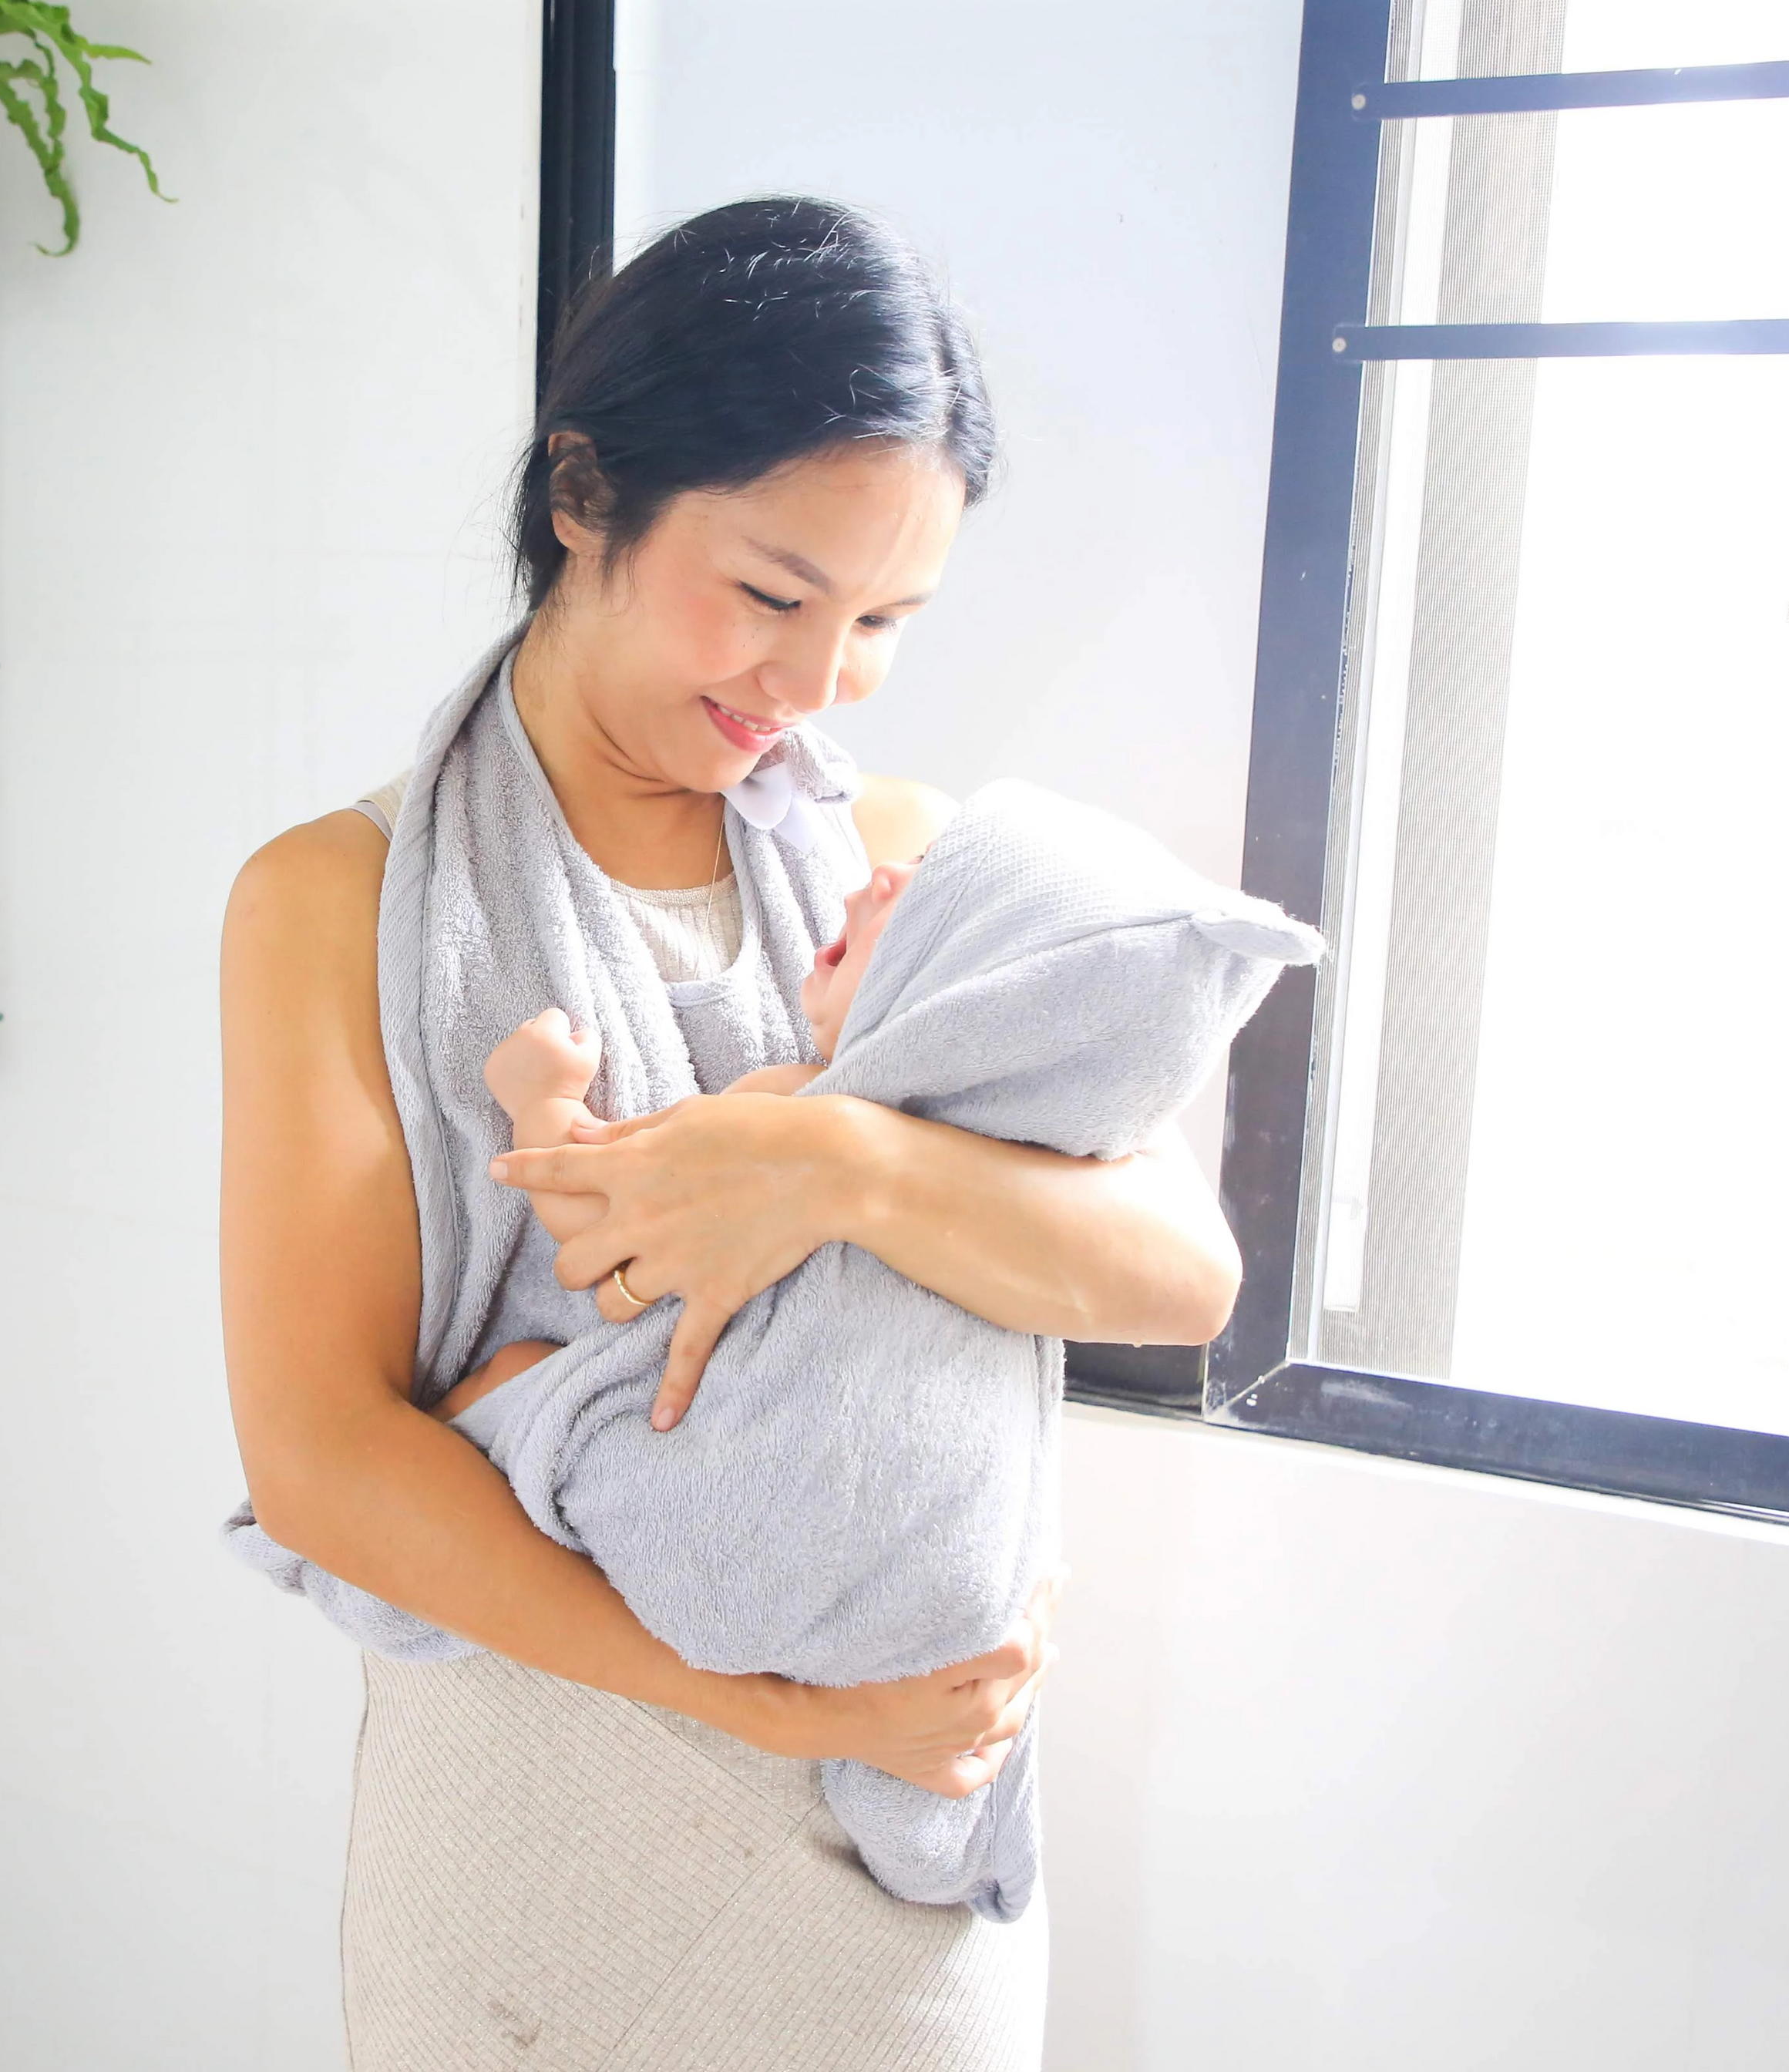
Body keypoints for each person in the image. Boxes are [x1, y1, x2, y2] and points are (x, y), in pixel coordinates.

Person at [221, 197, 1241, 2069]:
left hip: (886, 1850)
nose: (816, 681)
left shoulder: (896, 869)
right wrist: (763, 1706)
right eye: (773, 596)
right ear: (582, 493)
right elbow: (318, 1460)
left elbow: (1180, 1276)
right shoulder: (330, 902)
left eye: (883, 622)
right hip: (530, 1829)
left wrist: (829, 1166)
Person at [442, 856, 917, 1425]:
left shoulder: (796, 1104)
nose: (884, 871)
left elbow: (614, 1217)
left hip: (714, 1402)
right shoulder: (957, 1145)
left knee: (511, 1375)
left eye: (926, 878)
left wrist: (544, 1100)